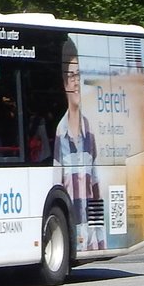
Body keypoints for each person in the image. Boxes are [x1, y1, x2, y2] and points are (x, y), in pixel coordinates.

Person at [53, 37, 105, 250]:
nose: (76, 82)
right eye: (71, 76)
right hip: (72, 233)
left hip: (89, 239)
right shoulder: (59, 134)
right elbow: (54, 189)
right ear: (64, 83)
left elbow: (96, 191)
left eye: (78, 75)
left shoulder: (89, 131)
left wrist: (100, 242)